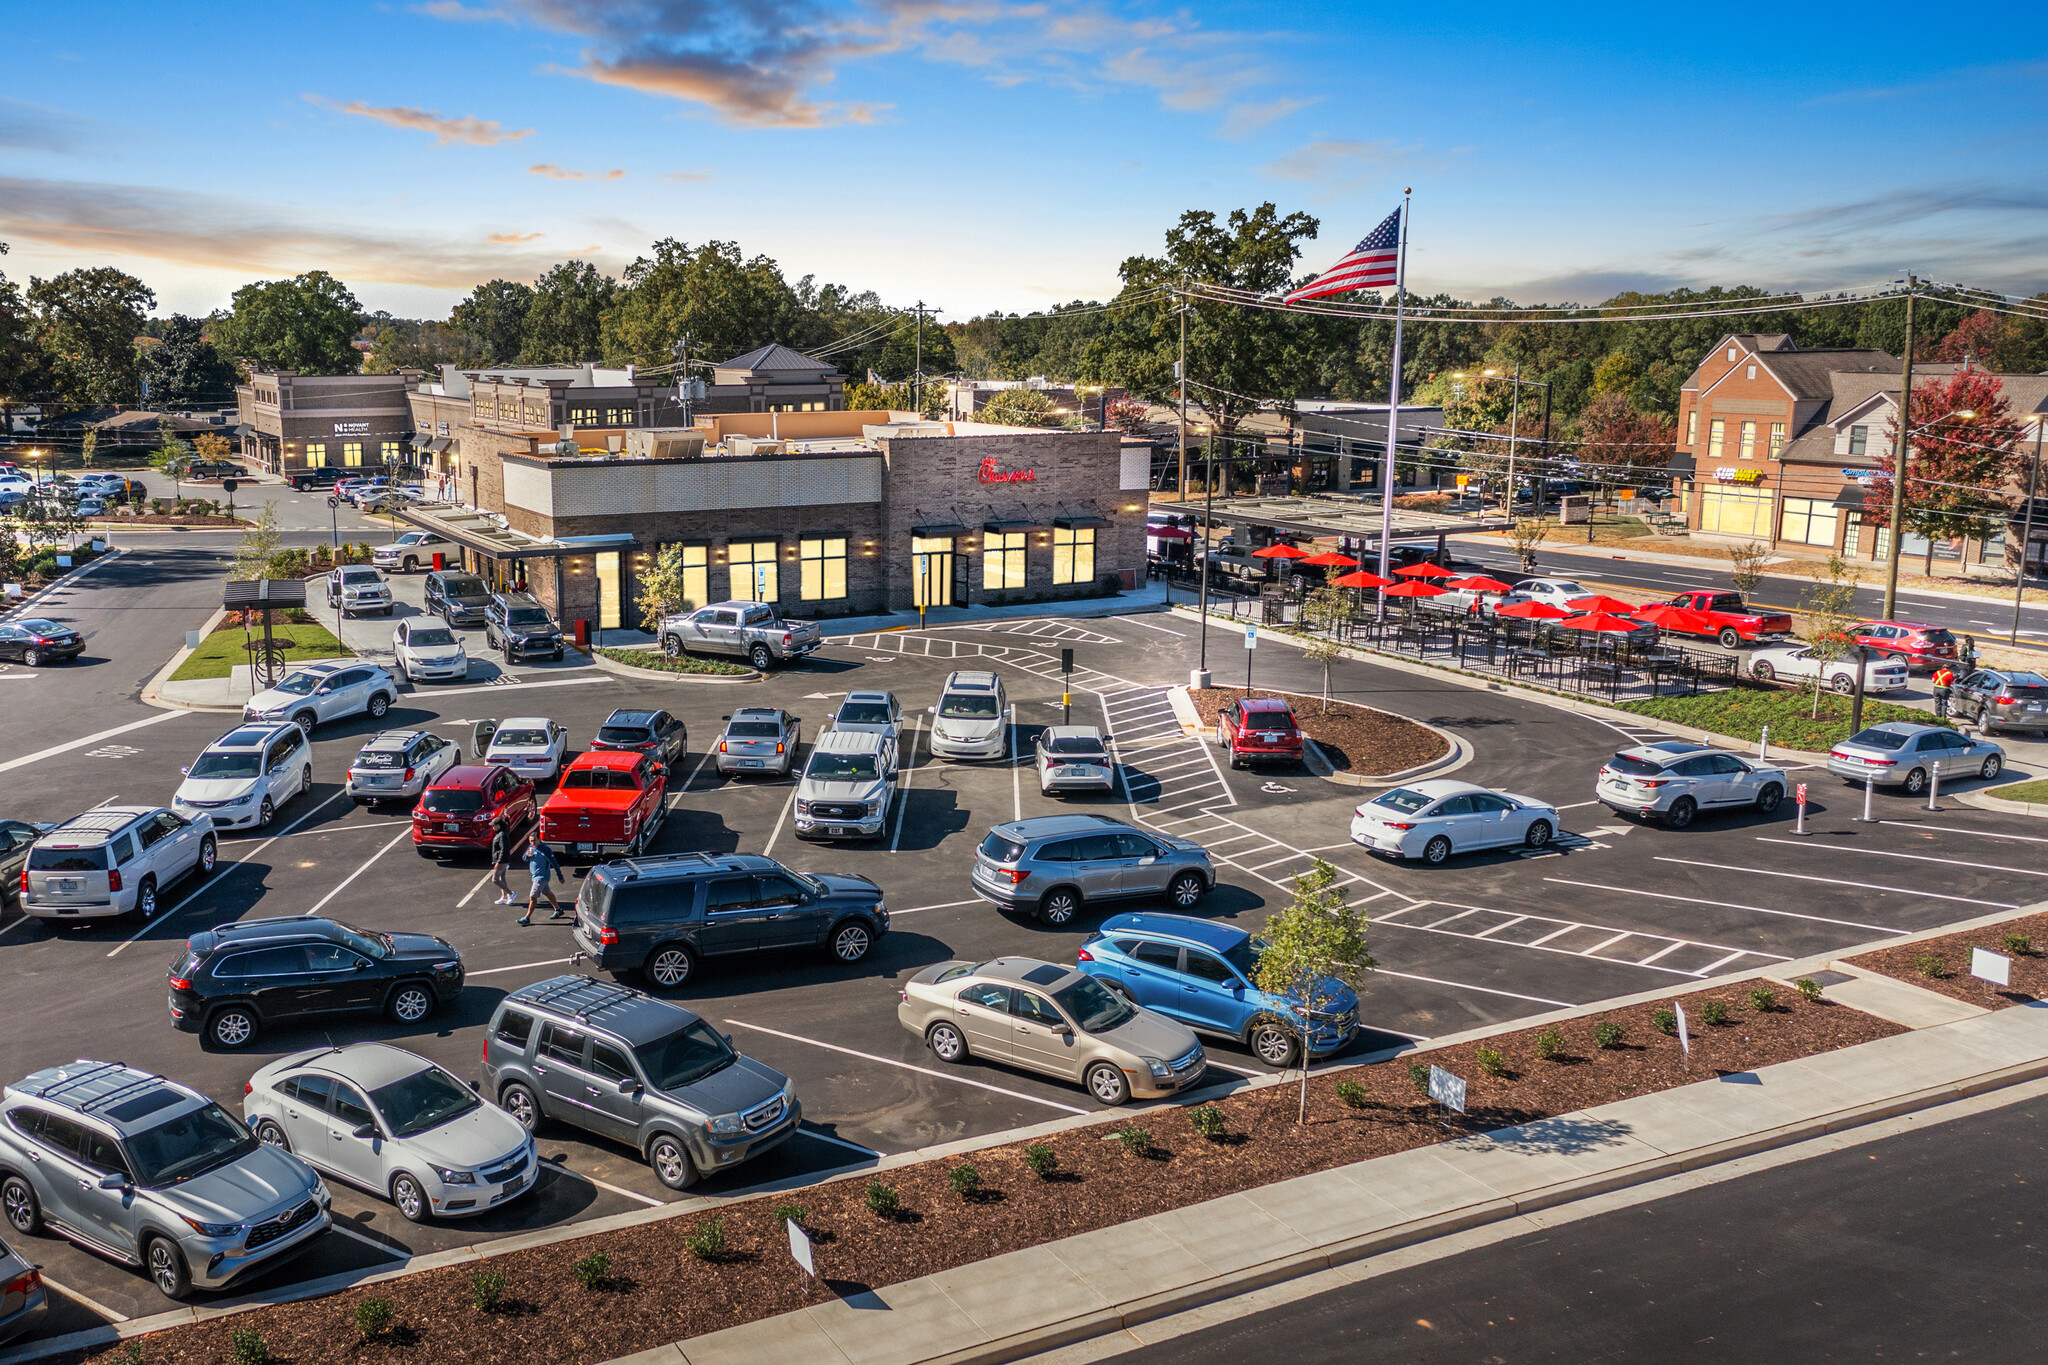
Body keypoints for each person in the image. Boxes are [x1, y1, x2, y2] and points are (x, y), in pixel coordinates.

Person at [518, 832, 565, 925]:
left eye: (534, 840)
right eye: (531, 841)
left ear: (539, 839)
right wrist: (527, 856)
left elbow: (554, 863)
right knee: (547, 892)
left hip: (541, 877)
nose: (532, 843)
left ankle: (527, 917)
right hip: (535, 876)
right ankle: (558, 910)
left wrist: (560, 876)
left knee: (533, 896)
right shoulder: (531, 848)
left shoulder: (545, 849)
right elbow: (524, 858)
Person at [489, 830, 513, 906]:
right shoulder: (500, 834)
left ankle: (511, 893)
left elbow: (503, 849)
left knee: (495, 879)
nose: (493, 827)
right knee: (502, 878)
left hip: (502, 861)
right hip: (502, 860)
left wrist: (498, 861)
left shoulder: (502, 835)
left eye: (494, 825)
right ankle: (504, 897)